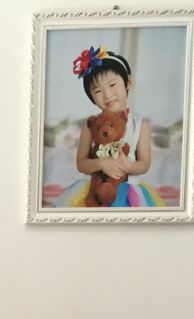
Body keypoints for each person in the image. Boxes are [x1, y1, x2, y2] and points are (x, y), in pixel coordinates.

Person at [53, 47, 164, 209]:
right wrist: (102, 164)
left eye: (112, 84)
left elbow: (144, 164)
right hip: (93, 188)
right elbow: (81, 164)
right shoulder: (90, 124)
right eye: (98, 91)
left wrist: (128, 166)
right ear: (92, 98)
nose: (107, 95)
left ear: (128, 82)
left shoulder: (140, 124)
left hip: (129, 189)